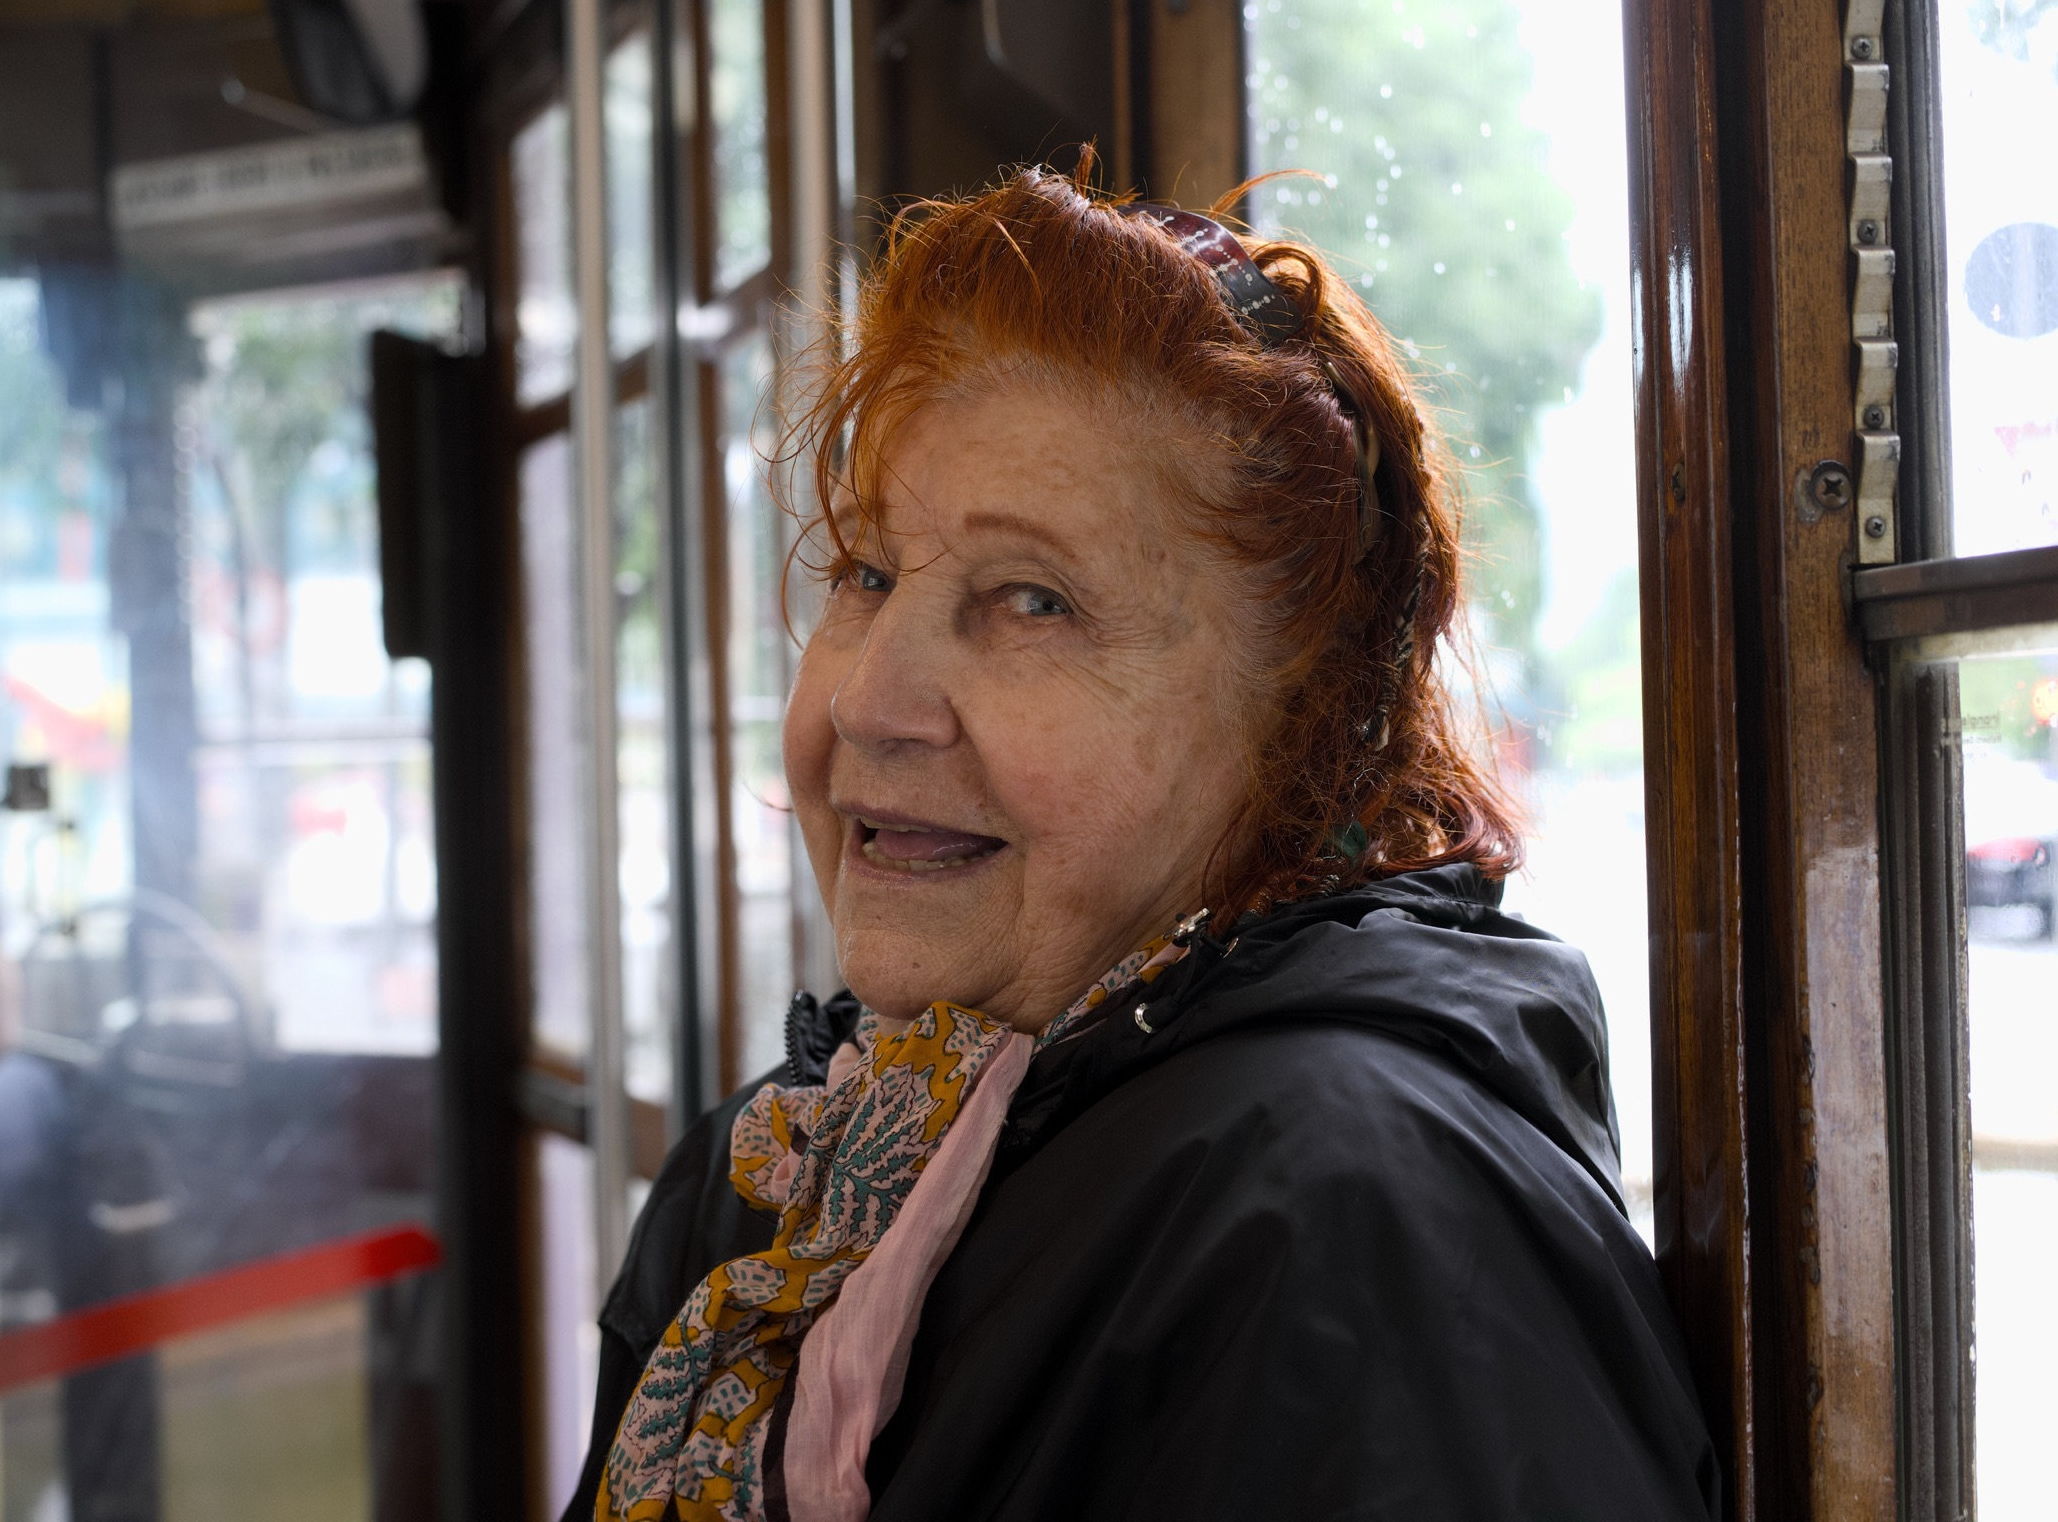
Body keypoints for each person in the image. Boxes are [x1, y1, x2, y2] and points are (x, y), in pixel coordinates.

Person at [563, 165, 1719, 1522]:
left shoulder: (1350, 1226)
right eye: (868, 576)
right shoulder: (787, 1179)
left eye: (1033, 602)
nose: (871, 701)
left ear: (1300, 723)